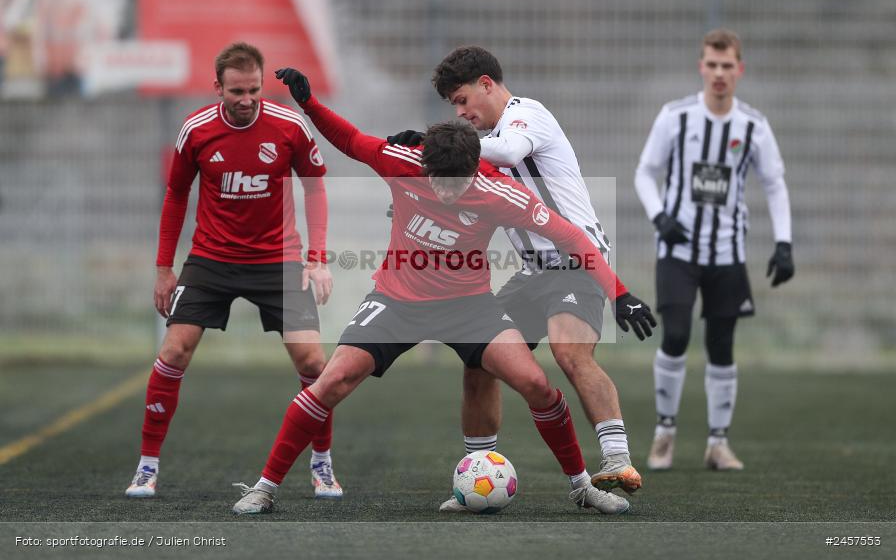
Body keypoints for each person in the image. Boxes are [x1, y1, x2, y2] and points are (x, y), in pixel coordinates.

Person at [230, 67, 656, 516]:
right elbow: (351, 139)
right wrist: (309, 103)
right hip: (396, 301)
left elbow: (573, 239)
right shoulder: (402, 161)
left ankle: (582, 487)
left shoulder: (502, 192)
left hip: (469, 306)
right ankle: (264, 487)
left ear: (475, 169)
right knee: (331, 381)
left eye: (457, 184)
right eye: (438, 181)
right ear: (424, 165)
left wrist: (619, 292)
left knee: (535, 382)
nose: (445, 192)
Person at [388, 45, 645, 510]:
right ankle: (476, 476)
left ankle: (616, 460)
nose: (462, 113)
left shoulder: (528, 116)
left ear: (487, 83)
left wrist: (438, 140)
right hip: (531, 273)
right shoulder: (479, 147)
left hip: (575, 260)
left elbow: (508, 151)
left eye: (464, 100)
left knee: (570, 353)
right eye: (454, 109)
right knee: (479, 361)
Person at [125, 42, 342, 500]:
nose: (246, 100)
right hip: (212, 259)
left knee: (314, 363)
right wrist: (164, 269)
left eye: (255, 90)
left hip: (279, 259)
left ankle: (322, 464)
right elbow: (176, 196)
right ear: (218, 87)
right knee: (174, 352)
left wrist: (317, 258)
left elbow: (316, 186)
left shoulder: (289, 126)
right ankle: (146, 467)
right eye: (237, 91)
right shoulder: (196, 130)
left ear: (263, 85)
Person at [633, 28, 794, 471]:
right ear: (701, 66)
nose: (720, 73)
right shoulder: (675, 116)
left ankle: (717, 444)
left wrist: (784, 243)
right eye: (712, 64)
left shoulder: (753, 126)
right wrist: (660, 217)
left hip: (727, 252)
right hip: (678, 250)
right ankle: (665, 433)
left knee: (722, 346)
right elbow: (645, 172)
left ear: (739, 70)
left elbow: (775, 184)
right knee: (677, 334)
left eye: (728, 66)